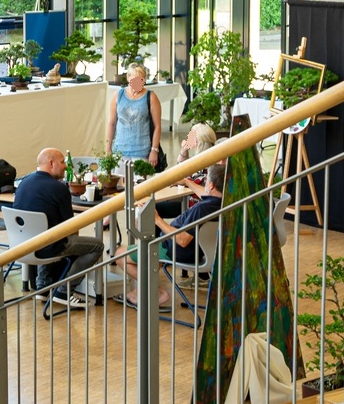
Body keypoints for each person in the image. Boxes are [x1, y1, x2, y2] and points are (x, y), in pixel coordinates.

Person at [116, 163, 225, 309]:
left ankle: (157, 292)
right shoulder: (224, 204)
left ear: (211, 186)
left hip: (174, 249)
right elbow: (206, 194)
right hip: (201, 252)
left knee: (120, 254)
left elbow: (182, 240)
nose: (204, 184)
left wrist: (157, 219)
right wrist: (186, 182)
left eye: (206, 181)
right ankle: (140, 291)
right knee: (147, 250)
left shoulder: (201, 209)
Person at [12, 148, 105, 310]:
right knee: (97, 245)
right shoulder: (59, 188)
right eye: (62, 162)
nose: (65, 166)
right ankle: (65, 291)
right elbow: (70, 227)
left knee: (46, 232)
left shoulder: (23, 183)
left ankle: (43, 286)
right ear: (51, 163)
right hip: (48, 248)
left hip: (22, 245)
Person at [106, 63, 163, 168]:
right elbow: (112, 123)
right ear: (128, 77)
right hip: (119, 151)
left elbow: (157, 126)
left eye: (141, 80)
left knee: (140, 178)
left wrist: (154, 150)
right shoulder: (118, 95)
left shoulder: (151, 97)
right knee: (118, 178)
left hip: (142, 151)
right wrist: (108, 147)